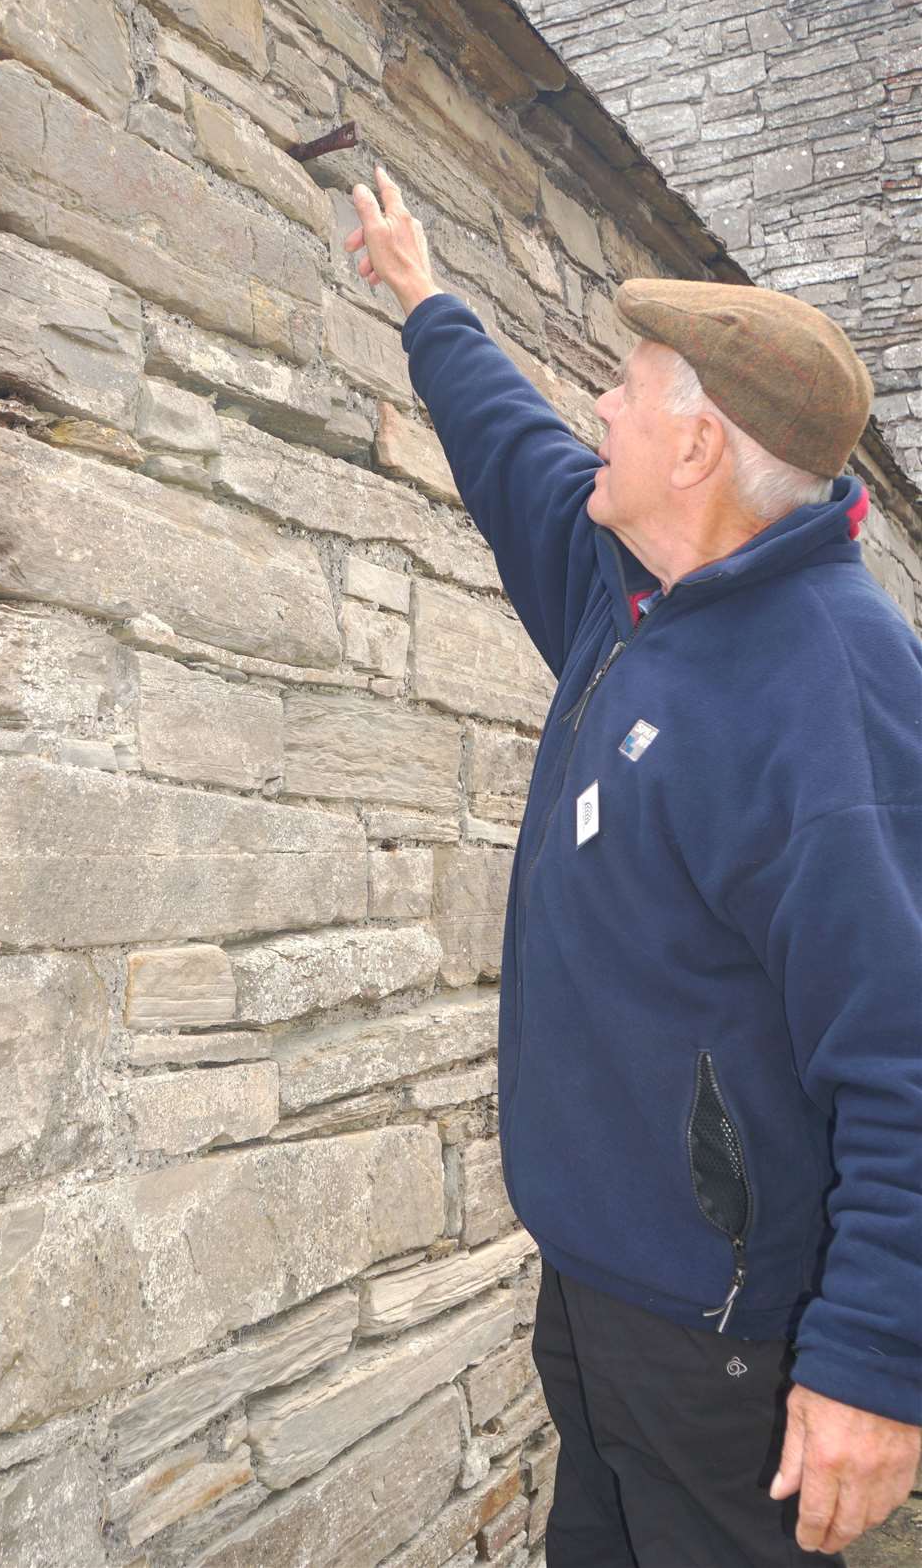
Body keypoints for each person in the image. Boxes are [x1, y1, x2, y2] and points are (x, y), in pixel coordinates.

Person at [345, 165, 922, 1566]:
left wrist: (874, 1368)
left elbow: (905, 1051)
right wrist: (423, 296)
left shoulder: (834, 686)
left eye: (631, 383)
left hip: (730, 1345)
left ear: (701, 447)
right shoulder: (635, 591)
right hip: (602, 1288)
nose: (596, 402)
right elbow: (512, 452)